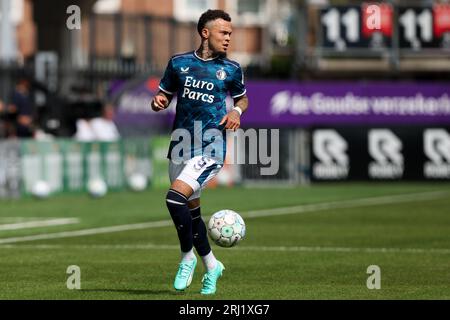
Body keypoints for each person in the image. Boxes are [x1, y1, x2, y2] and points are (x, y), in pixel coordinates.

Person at [151, 9, 249, 295]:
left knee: (173, 199)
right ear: (205, 33)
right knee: (191, 215)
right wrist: (158, 101)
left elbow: (243, 99)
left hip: (210, 148)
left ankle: (186, 258)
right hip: (180, 145)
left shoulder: (231, 69)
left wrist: (235, 111)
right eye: (224, 32)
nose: (229, 38)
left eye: (230, 33)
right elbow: (164, 95)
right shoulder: (178, 63)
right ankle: (212, 264)